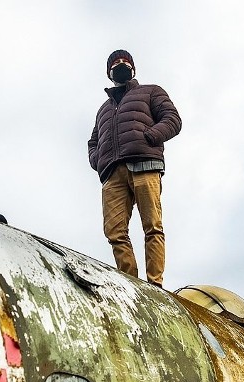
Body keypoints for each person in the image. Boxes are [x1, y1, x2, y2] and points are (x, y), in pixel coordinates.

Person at [87, 49, 181, 288]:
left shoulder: (151, 91)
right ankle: (132, 284)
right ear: (109, 73)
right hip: (112, 174)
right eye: (115, 62)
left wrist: (149, 136)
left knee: (152, 226)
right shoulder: (102, 110)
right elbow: (93, 141)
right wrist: (98, 159)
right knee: (115, 233)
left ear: (133, 69)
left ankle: (154, 285)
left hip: (145, 163)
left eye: (125, 61)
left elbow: (172, 119)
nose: (120, 64)